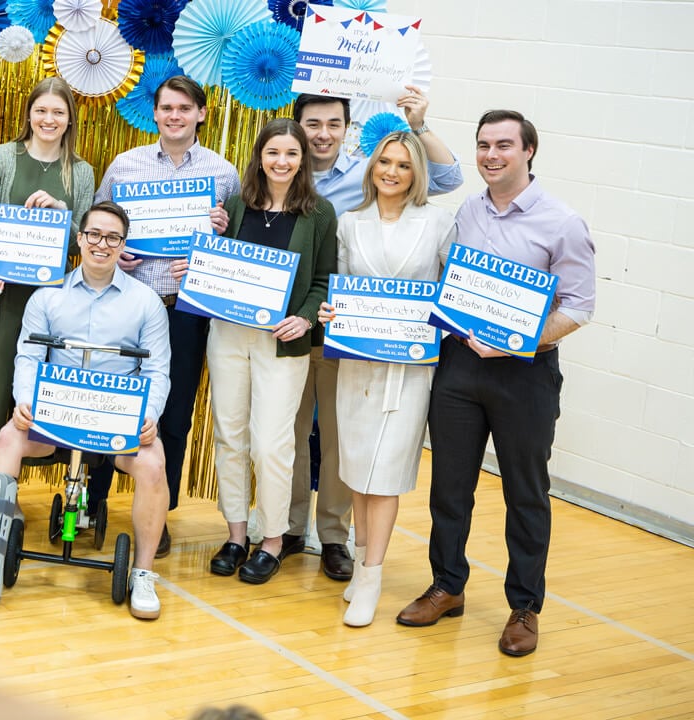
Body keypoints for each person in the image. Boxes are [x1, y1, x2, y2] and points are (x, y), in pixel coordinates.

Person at [396, 110, 595, 657]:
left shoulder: (562, 222)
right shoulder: (468, 209)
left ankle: (525, 607)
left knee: (525, 494)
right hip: (460, 368)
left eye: (504, 145)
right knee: (450, 487)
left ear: (529, 150)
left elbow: (580, 307)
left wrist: (521, 342)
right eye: (483, 144)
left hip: (525, 375)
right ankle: (448, 586)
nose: (491, 154)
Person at [0, 202, 171, 620]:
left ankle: (144, 573)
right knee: (10, 435)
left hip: (115, 419)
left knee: (153, 463)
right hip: (56, 413)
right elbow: (27, 356)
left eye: (113, 237)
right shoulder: (47, 296)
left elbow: (157, 370)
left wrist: (149, 415)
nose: (102, 244)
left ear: (123, 245)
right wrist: (24, 401)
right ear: (79, 238)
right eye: (94, 235)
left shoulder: (147, 303)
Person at [284, 89, 464, 582]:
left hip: (391, 355)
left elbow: (450, 179)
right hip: (295, 330)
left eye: (333, 124)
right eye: (313, 124)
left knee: (351, 449)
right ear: (297, 127)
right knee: (294, 435)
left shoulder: (432, 218)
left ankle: (338, 541)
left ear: (347, 129)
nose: (391, 171)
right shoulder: (281, 168)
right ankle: (289, 529)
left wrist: (420, 123)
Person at [91, 75, 240, 556]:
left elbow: (236, 254)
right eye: (166, 108)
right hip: (128, 304)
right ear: (154, 113)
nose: (174, 116)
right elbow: (98, 226)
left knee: (174, 417)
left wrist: (216, 240)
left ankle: (160, 512)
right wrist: (118, 252)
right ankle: (93, 500)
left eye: (184, 108)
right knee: (106, 400)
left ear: (200, 113)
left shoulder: (223, 174)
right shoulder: (124, 165)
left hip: (186, 311)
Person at [314, 132, 456, 626]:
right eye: (384, 163)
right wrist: (334, 313)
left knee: (386, 473)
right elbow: (344, 286)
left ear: (417, 174)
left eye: (403, 165)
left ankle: (372, 574)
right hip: (357, 364)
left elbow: (450, 293)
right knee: (356, 468)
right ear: (373, 168)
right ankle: (358, 561)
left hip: (409, 366)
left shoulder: (437, 221)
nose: (391, 172)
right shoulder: (350, 223)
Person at [206, 119, 336, 585]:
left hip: (285, 343)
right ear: (259, 155)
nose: (281, 162)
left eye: (291, 154)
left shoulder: (319, 213)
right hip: (228, 335)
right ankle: (237, 534)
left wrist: (304, 316)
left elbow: (324, 279)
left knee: (271, 444)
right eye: (273, 153)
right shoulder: (236, 205)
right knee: (230, 436)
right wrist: (213, 236)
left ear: (303, 160)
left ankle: (274, 540)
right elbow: (217, 267)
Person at [0, 77, 95, 479]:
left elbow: (83, 245)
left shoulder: (81, 172)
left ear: (70, 119)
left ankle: (11, 487)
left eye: (57, 112)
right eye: (41, 110)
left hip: (51, 306)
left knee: (35, 403)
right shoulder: (1, 157)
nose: (48, 119)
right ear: (29, 114)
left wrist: (60, 213)